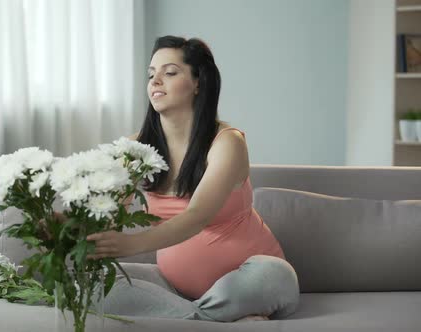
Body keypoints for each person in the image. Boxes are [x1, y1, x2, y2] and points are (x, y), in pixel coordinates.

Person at [84, 35, 300, 322]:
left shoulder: (227, 142)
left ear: (198, 83)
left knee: (275, 276)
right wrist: (70, 227)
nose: (155, 80)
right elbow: (110, 213)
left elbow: (197, 215)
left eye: (170, 72)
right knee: (90, 285)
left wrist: (129, 245)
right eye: (151, 74)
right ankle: (210, 320)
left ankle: (185, 319)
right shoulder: (134, 148)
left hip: (250, 280)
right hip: (173, 288)